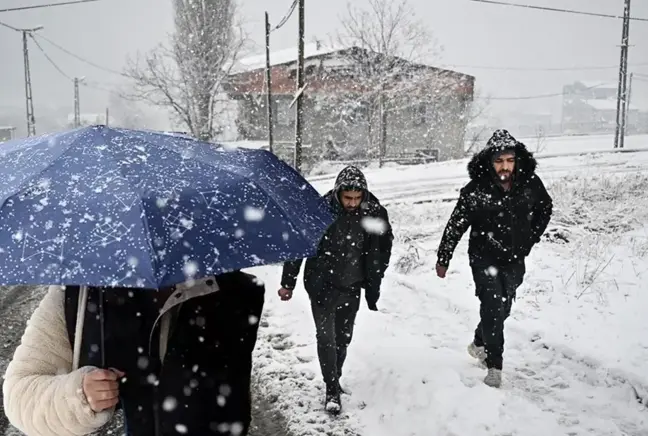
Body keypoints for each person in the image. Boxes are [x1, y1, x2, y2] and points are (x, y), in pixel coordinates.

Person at [2, 271, 265, 436]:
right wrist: (79, 395)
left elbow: (234, 397)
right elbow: (20, 393)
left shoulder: (234, 293)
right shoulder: (79, 292)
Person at [435, 129, 553, 388]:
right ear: (489, 162)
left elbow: (545, 209)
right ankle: (494, 365)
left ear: (517, 160)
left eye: (509, 160)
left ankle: (479, 342)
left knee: (503, 306)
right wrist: (444, 257)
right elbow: (456, 224)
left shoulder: (530, 183)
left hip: (514, 258)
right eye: (499, 161)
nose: (505, 166)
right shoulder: (475, 190)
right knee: (492, 306)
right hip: (483, 257)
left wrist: (530, 238)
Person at [277, 166, 393, 415]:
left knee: (344, 337)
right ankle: (331, 388)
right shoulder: (318, 211)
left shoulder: (373, 212)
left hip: (352, 285)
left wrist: (376, 274)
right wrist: (288, 282)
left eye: (356, 198)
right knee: (326, 338)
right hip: (321, 285)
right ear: (339, 193)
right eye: (347, 198)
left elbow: (383, 247)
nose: (352, 203)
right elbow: (298, 247)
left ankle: (335, 375)